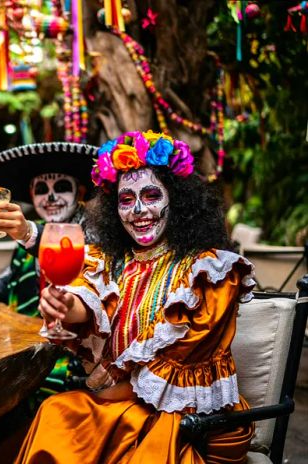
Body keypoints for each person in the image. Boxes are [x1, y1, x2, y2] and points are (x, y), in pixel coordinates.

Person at [16, 130, 256, 463]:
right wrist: (63, 305)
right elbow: (87, 304)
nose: (139, 210)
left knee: (64, 417)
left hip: (185, 419)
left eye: (151, 195)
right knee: (54, 411)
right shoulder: (110, 261)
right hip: (122, 405)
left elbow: (180, 364)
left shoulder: (211, 272)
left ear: (178, 199)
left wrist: (100, 393)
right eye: (126, 200)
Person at [0, 142, 98, 446]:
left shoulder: (94, 233)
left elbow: (88, 265)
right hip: (28, 352)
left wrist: (28, 234)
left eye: (61, 187)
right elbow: (13, 276)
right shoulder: (31, 235)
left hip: (78, 365)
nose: (50, 197)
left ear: (82, 192)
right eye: (40, 189)